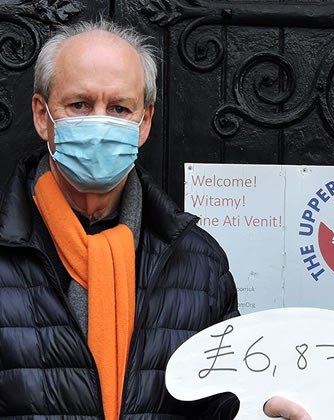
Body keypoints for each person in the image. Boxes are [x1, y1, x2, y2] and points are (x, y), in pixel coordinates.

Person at [0, 20, 309, 420]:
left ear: (144, 122)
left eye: (119, 108)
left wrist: (264, 409)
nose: (100, 124)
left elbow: (226, 396)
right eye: (79, 105)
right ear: (43, 116)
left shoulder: (198, 262)